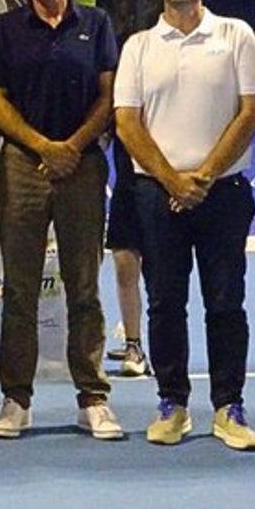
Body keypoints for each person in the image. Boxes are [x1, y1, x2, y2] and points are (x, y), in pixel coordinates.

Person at [115, 0, 255, 451]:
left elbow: (251, 111)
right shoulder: (138, 45)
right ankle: (172, 404)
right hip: (158, 196)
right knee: (165, 303)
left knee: (226, 303)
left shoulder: (236, 34)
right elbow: (127, 124)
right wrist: (172, 181)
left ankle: (229, 407)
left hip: (221, 194)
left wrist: (202, 176)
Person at [0, 0, 122, 440]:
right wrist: (44, 147)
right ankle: (16, 399)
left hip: (83, 165)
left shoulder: (97, 23)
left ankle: (93, 398)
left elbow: (109, 96)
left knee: (83, 286)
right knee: (20, 289)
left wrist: (72, 147)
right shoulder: (5, 28)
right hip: (22, 165)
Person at [105, 135, 151, 378]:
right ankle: (133, 346)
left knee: (163, 278)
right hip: (128, 188)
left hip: (164, 186)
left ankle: (168, 350)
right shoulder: (121, 98)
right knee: (124, 268)